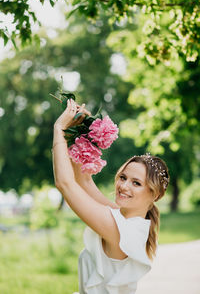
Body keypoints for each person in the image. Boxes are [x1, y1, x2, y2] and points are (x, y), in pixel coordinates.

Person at [52, 98, 170, 294]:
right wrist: (80, 133)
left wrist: (59, 130)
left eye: (136, 183)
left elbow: (65, 184)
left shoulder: (123, 230)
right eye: (123, 177)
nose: (123, 186)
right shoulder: (126, 219)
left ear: (154, 194)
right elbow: (84, 181)